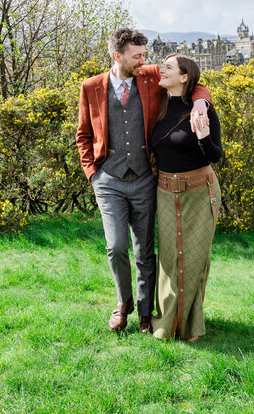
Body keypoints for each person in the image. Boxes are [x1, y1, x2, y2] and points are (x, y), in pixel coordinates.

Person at [76, 29, 212, 333]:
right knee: (116, 246)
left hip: (145, 179)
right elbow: (83, 135)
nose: (144, 61)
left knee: (143, 250)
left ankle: (145, 311)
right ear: (118, 56)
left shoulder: (148, 77)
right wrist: (93, 173)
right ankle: (122, 303)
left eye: (144, 55)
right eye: (137, 56)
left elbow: (195, 81)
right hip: (108, 179)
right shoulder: (91, 87)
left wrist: (202, 104)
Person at [151, 53, 223, 342]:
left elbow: (216, 155)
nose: (160, 68)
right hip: (165, 191)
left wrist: (204, 137)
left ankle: (191, 326)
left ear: (184, 77)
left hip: (199, 191)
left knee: (193, 259)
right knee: (169, 259)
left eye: (168, 66)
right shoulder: (159, 102)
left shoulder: (202, 110)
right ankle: (166, 324)